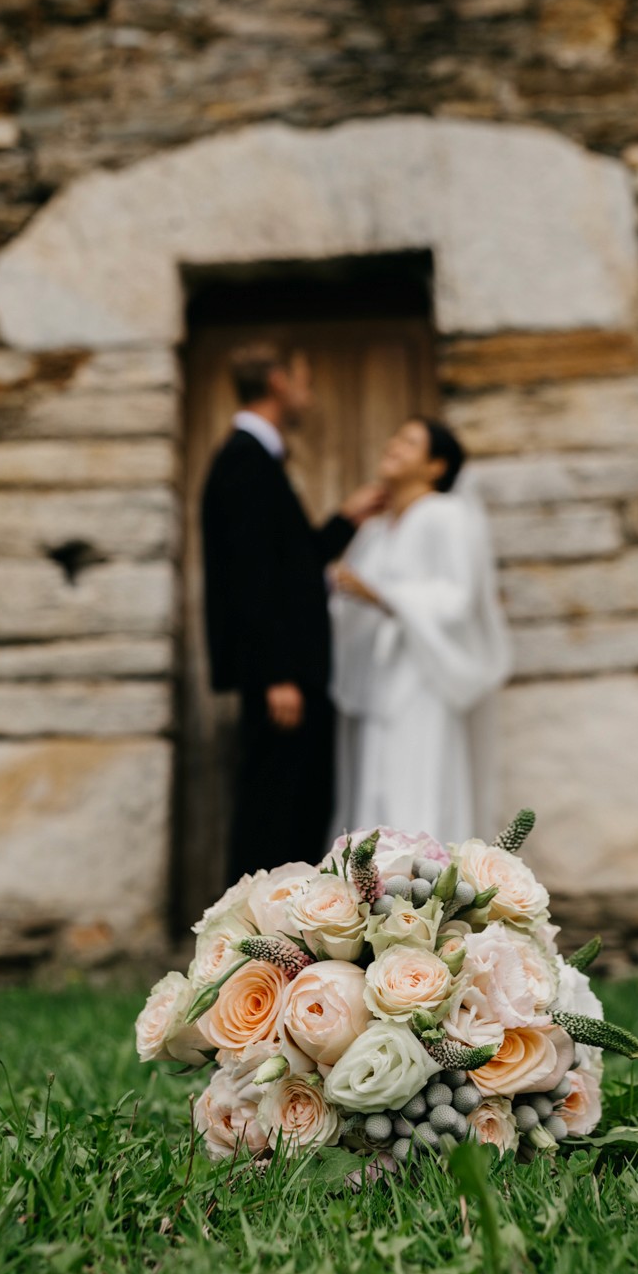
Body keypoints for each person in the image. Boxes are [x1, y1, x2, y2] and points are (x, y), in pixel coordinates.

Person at [202, 342, 384, 880]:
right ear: (279, 381)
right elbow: (251, 577)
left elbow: (288, 562)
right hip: (283, 678)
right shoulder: (244, 461)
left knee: (296, 807)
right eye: (304, 380)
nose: (309, 395)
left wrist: (346, 518)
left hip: (292, 673)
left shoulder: (255, 460)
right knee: (274, 813)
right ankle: (253, 944)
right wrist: (275, 672)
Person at [330, 416, 512, 844]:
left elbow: (457, 597)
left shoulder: (446, 516)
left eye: (409, 442)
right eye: (395, 436)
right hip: (380, 674)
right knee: (375, 784)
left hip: (423, 676)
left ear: (436, 466)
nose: (393, 445)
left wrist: (380, 595)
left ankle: (423, 896)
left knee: (416, 780)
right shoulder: (375, 531)